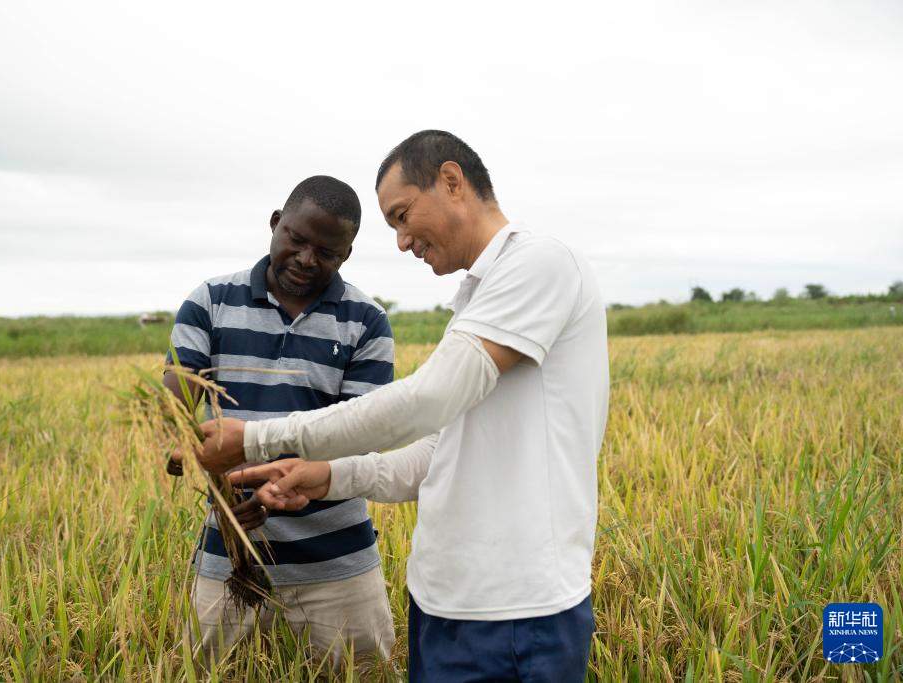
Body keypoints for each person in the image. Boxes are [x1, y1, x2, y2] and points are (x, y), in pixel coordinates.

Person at [177, 131, 610, 681]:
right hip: (445, 605)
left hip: (517, 610)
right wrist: (325, 477)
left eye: (402, 216)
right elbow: (437, 454)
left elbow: (428, 398)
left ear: (452, 182)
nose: (403, 242)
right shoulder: (477, 298)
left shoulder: (540, 264)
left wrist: (258, 439)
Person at [163, 175, 396, 665]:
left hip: (337, 561)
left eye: (327, 252)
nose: (307, 259)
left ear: (346, 255)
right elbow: (175, 429)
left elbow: (362, 437)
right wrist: (228, 495)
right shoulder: (211, 302)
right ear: (275, 223)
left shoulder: (366, 321)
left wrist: (268, 478)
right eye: (296, 239)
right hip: (229, 554)